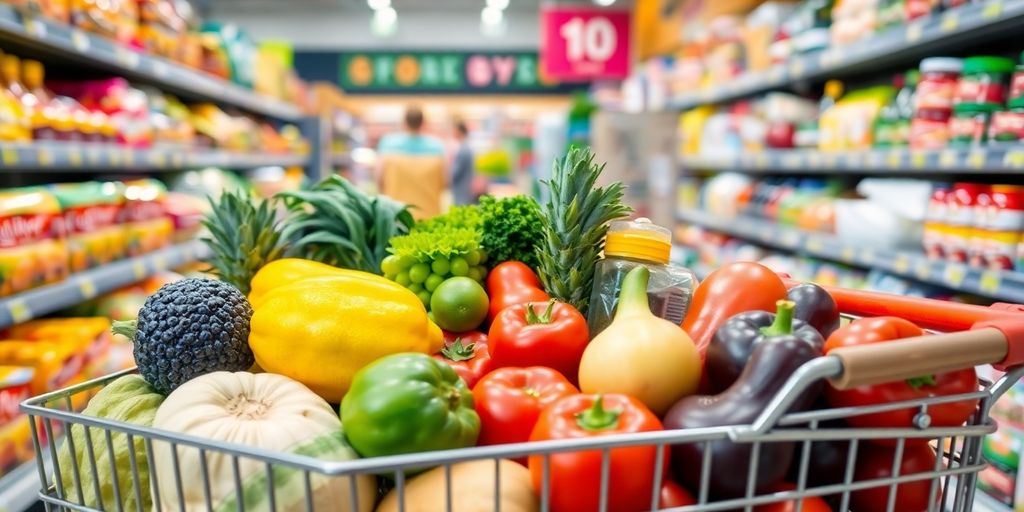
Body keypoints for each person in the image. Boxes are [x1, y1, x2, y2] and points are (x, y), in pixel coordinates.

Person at [377, 105, 447, 219]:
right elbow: (444, 182)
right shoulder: (437, 146)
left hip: (397, 215)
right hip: (429, 214)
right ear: (423, 122)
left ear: (404, 122)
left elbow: (380, 180)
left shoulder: (388, 144)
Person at [450, 119, 476, 206]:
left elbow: (454, 173)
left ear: (459, 131)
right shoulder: (467, 147)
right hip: (466, 189)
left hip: (462, 191)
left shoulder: (463, 149)